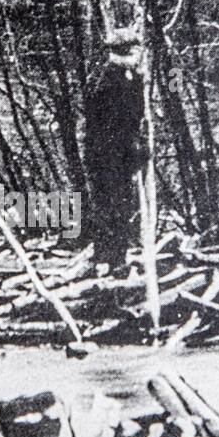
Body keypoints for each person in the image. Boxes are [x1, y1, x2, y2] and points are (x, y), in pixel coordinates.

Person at [83, 27, 149, 271]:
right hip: (106, 155)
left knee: (121, 205)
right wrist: (133, 147)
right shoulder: (106, 81)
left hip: (121, 153)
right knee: (109, 205)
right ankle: (106, 257)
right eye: (134, 50)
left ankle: (117, 256)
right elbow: (109, 125)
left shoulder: (129, 76)